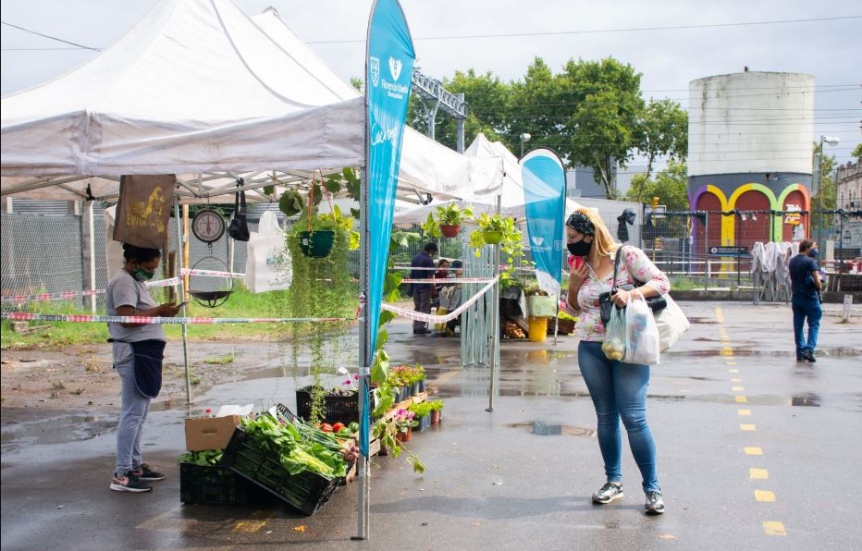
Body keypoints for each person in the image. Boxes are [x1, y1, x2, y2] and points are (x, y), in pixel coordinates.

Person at [564, 208, 671, 516]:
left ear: (590, 233)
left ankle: (652, 488)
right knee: (606, 417)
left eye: (573, 237)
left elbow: (662, 283)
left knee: (634, 417)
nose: (570, 243)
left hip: (628, 347)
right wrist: (572, 286)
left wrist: (632, 294)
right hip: (591, 348)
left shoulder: (626, 256)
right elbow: (572, 311)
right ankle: (613, 481)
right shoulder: (577, 264)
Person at [106, 243, 182, 492]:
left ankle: (135, 464)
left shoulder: (136, 282)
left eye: (155, 268)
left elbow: (140, 312)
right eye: (149, 267)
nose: (152, 272)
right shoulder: (123, 282)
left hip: (145, 353)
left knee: (140, 413)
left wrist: (159, 312)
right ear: (134, 262)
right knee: (132, 413)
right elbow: (126, 318)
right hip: (134, 353)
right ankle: (122, 473)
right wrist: (158, 310)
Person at [788, 240, 822, 362]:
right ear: (807, 248)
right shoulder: (810, 262)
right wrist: (820, 285)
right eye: (814, 247)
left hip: (796, 298)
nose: (816, 249)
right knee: (814, 324)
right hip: (810, 298)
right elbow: (817, 282)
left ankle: (800, 351)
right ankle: (809, 349)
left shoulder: (792, 261)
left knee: (798, 325)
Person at [408, 242, 438, 334]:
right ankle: (421, 327)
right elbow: (430, 277)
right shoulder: (429, 260)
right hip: (425, 287)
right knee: (424, 307)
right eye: (434, 252)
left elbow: (411, 274)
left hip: (415, 286)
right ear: (432, 250)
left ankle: (416, 326)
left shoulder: (415, 258)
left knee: (417, 306)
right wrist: (433, 289)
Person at [435, 260, 464, 336]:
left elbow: (444, 289)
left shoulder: (450, 276)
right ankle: (459, 328)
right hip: (461, 301)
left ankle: (450, 329)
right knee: (460, 313)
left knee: (450, 311)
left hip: (451, 301)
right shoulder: (465, 276)